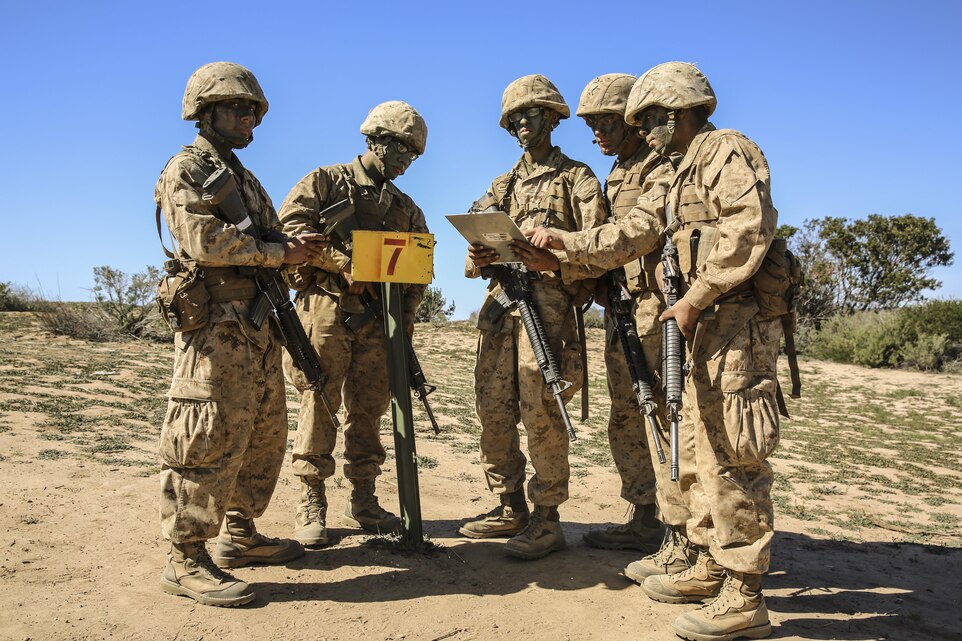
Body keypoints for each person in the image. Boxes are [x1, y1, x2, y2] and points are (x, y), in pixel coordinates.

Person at [156, 61, 325, 607]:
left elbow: (271, 239)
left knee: (262, 435)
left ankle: (240, 533)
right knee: (205, 439)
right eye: (236, 108)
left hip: (256, 329)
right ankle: (185, 556)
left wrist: (297, 247)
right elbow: (202, 240)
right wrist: (279, 252)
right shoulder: (186, 169)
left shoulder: (245, 180)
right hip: (214, 332)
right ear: (204, 113)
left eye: (252, 110)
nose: (247, 118)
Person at [629, 61, 780, 641]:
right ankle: (710, 562)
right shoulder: (675, 172)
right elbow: (637, 231)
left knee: (735, 458)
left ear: (675, 111)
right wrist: (563, 248)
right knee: (696, 451)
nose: (642, 131)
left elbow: (749, 227)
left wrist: (696, 296)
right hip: (701, 332)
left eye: (647, 120)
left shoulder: (725, 151)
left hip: (734, 330)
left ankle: (745, 596)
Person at [459, 74, 606, 560]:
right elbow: (472, 248)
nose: (522, 123)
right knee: (492, 409)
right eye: (514, 117)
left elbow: (603, 248)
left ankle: (547, 518)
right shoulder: (503, 184)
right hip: (501, 312)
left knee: (541, 413)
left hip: (548, 314)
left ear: (552, 118)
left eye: (531, 114)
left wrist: (558, 260)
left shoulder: (577, 178)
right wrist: (478, 258)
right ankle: (508, 506)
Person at [278, 101, 429, 546]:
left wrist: (404, 320)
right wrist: (343, 263)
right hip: (326, 310)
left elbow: (419, 268)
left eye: (412, 155)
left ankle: (364, 497)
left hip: (379, 324)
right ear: (375, 141)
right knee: (319, 401)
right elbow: (290, 231)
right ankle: (312, 501)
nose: (405, 161)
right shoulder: (324, 182)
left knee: (370, 409)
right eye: (401, 150)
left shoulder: (405, 207)